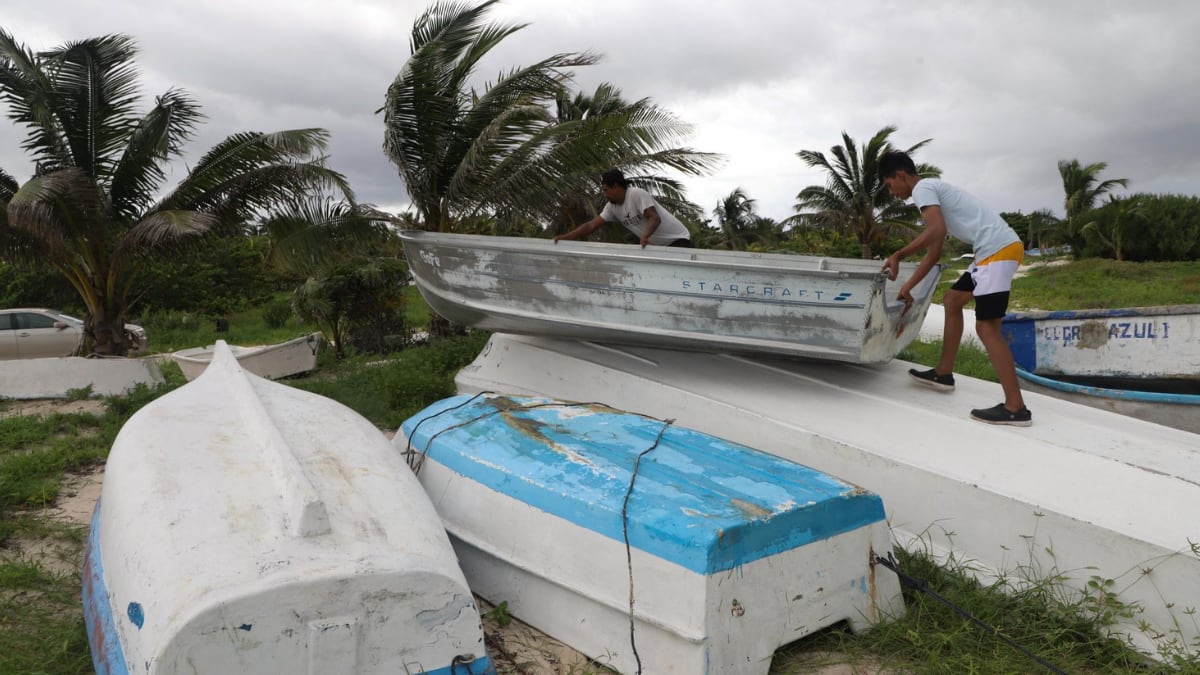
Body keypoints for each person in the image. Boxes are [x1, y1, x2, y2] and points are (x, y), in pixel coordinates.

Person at [877, 150, 1032, 426]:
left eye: (890, 185)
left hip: (998, 251)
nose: (891, 193)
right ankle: (943, 373)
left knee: (987, 327)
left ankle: (1015, 407)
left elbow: (935, 232)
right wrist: (909, 287)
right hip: (991, 252)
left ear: (901, 175)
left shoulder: (923, 188)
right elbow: (934, 252)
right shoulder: (932, 192)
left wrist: (899, 254)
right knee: (952, 300)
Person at [554, 169, 692, 248]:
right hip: (658, 248)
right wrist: (567, 237)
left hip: (678, 240)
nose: (604, 193)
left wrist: (645, 236)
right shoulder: (612, 208)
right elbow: (591, 226)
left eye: (606, 189)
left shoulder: (636, 194)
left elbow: (654, 218)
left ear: (616, 186)